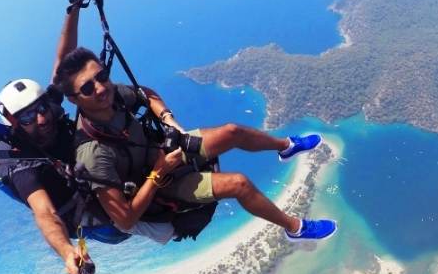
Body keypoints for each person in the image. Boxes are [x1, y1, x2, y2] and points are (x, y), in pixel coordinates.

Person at [0, 0, 174, 274]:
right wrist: (67, 252)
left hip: (104, 171)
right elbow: (44, 214)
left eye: (42, 108)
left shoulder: (52, 110)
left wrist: (73, 5)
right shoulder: (23, 167)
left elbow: (63, 63)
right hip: (96, 216)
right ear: (15, 124)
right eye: (29, 118)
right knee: (168, 227)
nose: (42, 119)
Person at [52, 47, 338, 243]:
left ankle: (285, 146)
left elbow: (145, 94)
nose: (100, 88)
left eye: (101, 76)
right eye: (88, 88)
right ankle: (295, 228)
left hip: (167, 151)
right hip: (161, 184)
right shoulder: (92, 154)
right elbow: (124, 220)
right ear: (75, 100)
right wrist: (158, 174)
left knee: (232, 131)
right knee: (239, 183)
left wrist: (168, 119)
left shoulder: (112, 96)